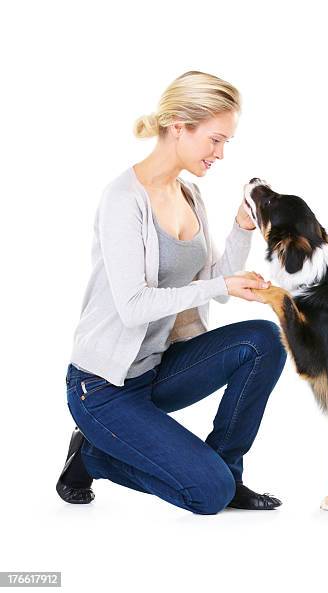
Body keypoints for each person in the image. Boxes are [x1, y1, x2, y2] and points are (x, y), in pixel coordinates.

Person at [57, 70, 287, 514]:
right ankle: (90, 455)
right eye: (215, 140)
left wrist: (241, 230)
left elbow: (214, 288)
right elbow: (133, 305)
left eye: (226, 144)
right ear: (179, 126)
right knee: (206, 496)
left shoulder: (190, 193)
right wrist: (221, 283)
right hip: (104, 387)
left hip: (158, 370)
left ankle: (224, 469)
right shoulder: (123, 199)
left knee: (264, 339)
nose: (220, 153)